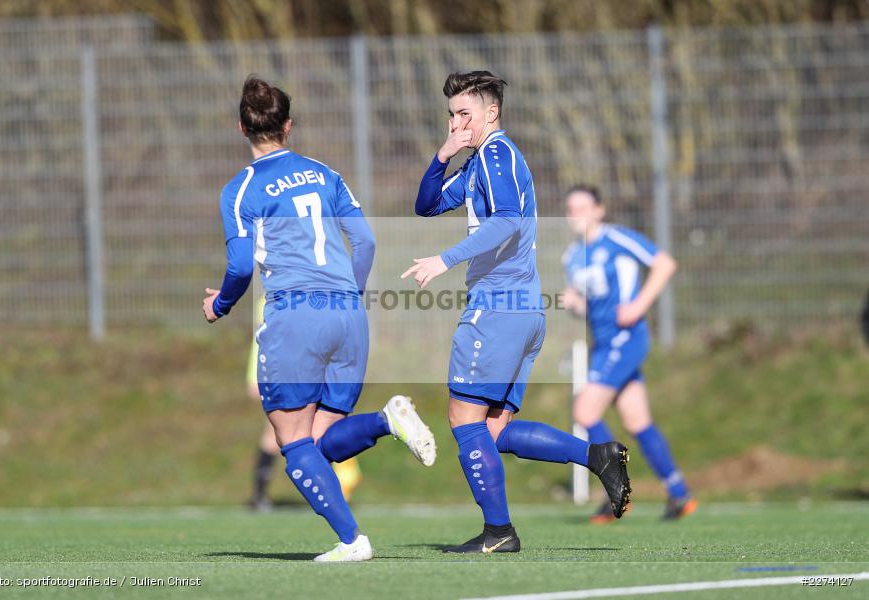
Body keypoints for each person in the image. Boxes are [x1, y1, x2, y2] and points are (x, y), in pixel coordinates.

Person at [203, 76, 436, 562]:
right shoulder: (325, 174)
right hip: (348, 313)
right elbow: (367, 242)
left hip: (296, 316)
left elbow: (241, 267)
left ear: (241, 128)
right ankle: (386, 420)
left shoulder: (241, 189)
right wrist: (350, 295)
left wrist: (219, 305)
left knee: (292, 444)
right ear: (288, 126)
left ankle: (353, 541)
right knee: (322, 444)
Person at [402, 71, 631, 553]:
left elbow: (506, 222)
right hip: (524, 311)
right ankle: (597, 455)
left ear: (492, 113)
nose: (457, 123)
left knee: (464, 419)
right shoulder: (476, 163)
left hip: (498, 309)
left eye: (466, 114)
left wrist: (445, 259)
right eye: (451, 115)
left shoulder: (497, 154)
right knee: (494, 430)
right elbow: (425, 205)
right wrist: (443, 155)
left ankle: (499, 532)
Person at [561, 184, 697, 521]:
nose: (575, 214)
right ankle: (680, 495)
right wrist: (575, 306)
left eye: (582, 207)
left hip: (626, 338)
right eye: (570, 209)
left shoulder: (617, 238)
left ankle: (616, 490)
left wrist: (639, 305)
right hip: (604, 344)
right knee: (637, 420)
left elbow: (665, 264)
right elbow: (586, 307)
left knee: (585, 411)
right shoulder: (572, 257)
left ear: (599, 210)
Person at [245, 294, 362, 511]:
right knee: (278, 434)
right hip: (284, 372)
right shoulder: (272, 297)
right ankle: (261, 494)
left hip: (306, 372)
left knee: (313, 430)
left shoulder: (313, 293)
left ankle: (331, 489)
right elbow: (261, 340)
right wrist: (254, 375)